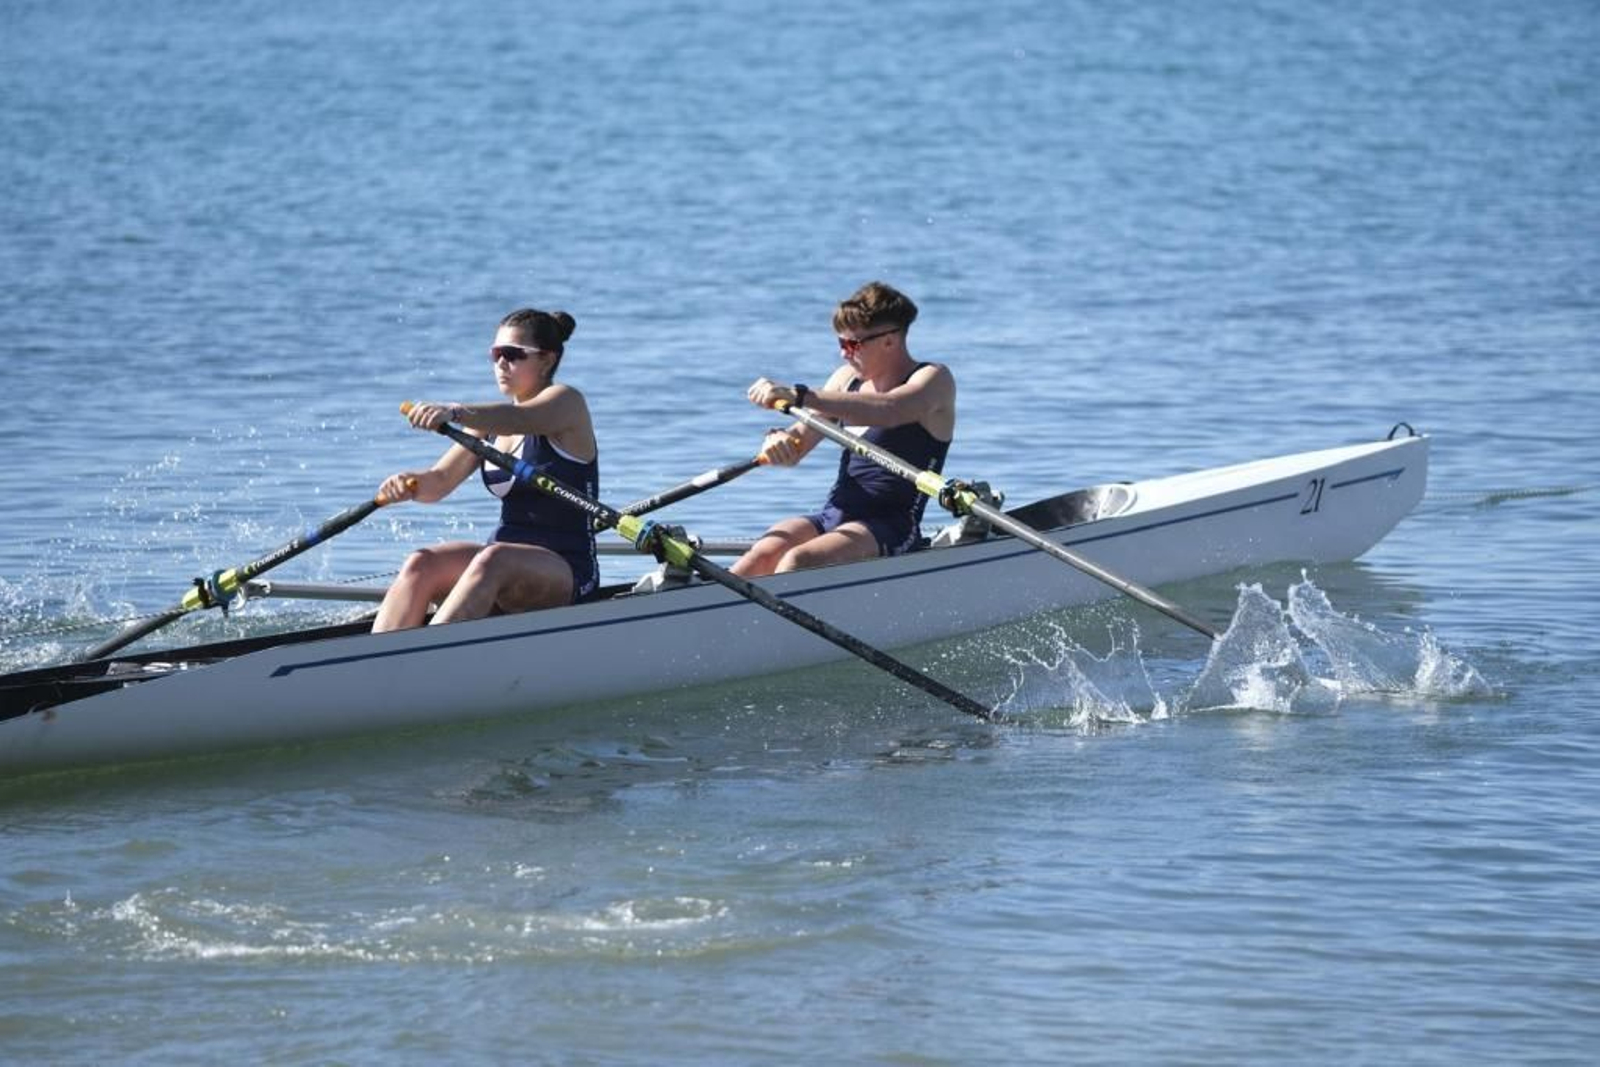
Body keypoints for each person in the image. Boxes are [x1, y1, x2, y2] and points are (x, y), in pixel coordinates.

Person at [371, 308, 600, 632]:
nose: (501, 364)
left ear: (547, 360)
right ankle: (381, 656)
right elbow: (438, 482)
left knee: (493, 560)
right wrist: (406, 485)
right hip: (500, 559)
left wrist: (453, 411)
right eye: (496, 354)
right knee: (421, 563)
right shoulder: (487, 427)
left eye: (513, 354)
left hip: (566, 569)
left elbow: (523, 419)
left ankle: (425, 658)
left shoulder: (566, 403)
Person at [731, 281, 955, 578]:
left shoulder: (933, 380)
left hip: (889, 526)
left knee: (799, 560)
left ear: (889, 341)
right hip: (832, 518)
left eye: (852, 345)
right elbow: (798, 444)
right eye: (840, 344)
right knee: (760, 556)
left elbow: (890, 409)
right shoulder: (845, 380)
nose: (844, 354)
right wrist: (779, 441)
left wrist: (798, 395)